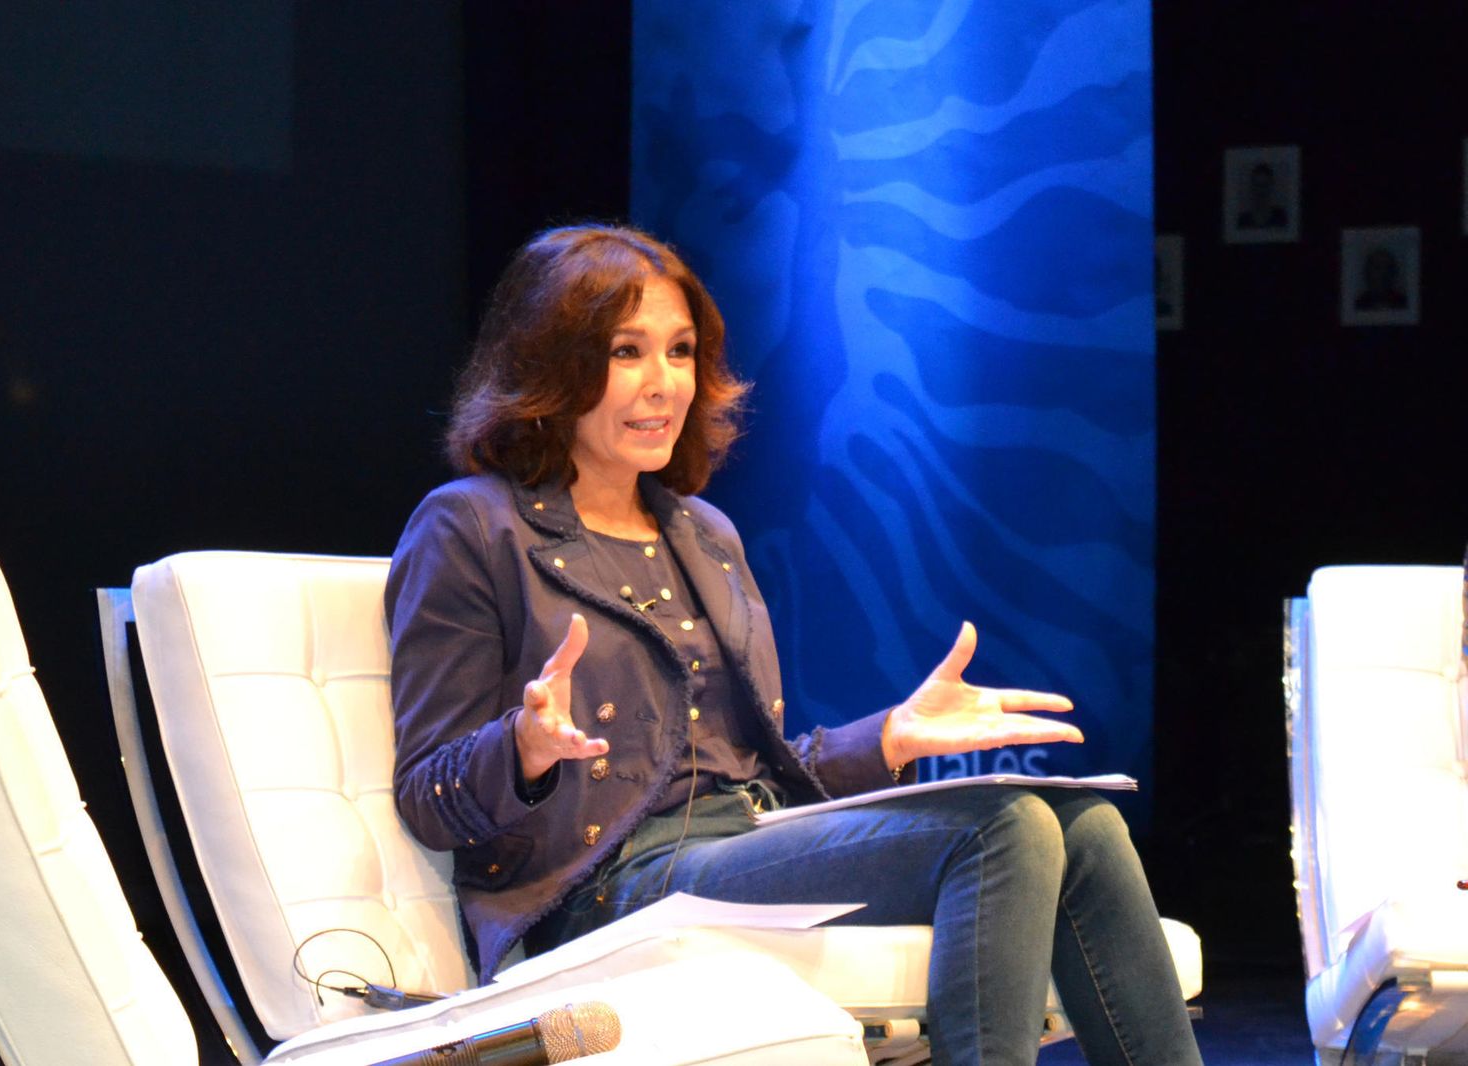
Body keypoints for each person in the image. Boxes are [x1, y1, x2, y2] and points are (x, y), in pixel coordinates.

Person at [385, 223, 1203, 1065]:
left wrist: (887, 738)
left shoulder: (702, 532)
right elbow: (425, 792)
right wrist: (519, 749)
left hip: (740, 843)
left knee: (1086, 821)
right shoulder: (473, 525)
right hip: (607, 886)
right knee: (1003, 827)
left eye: (681, 351)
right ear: (551, 365)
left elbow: (756, 768)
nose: (664, 383)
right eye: (626, 352)